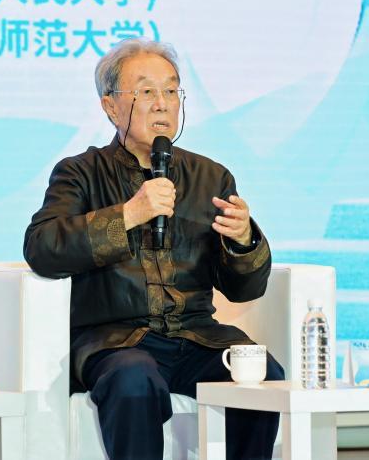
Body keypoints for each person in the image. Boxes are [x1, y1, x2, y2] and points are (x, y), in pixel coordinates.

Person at [24, 37, 284, 460]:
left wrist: (244, 240)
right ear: (110, 106)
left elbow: (244, 290)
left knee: (263, 371)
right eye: (146, 91)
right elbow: (43, 246)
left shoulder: (211, 176)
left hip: (196, 337)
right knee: (134, 378)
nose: (162, 104)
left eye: (171, 90)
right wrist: (129, 214)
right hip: (115, 341)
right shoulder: (80, 173)